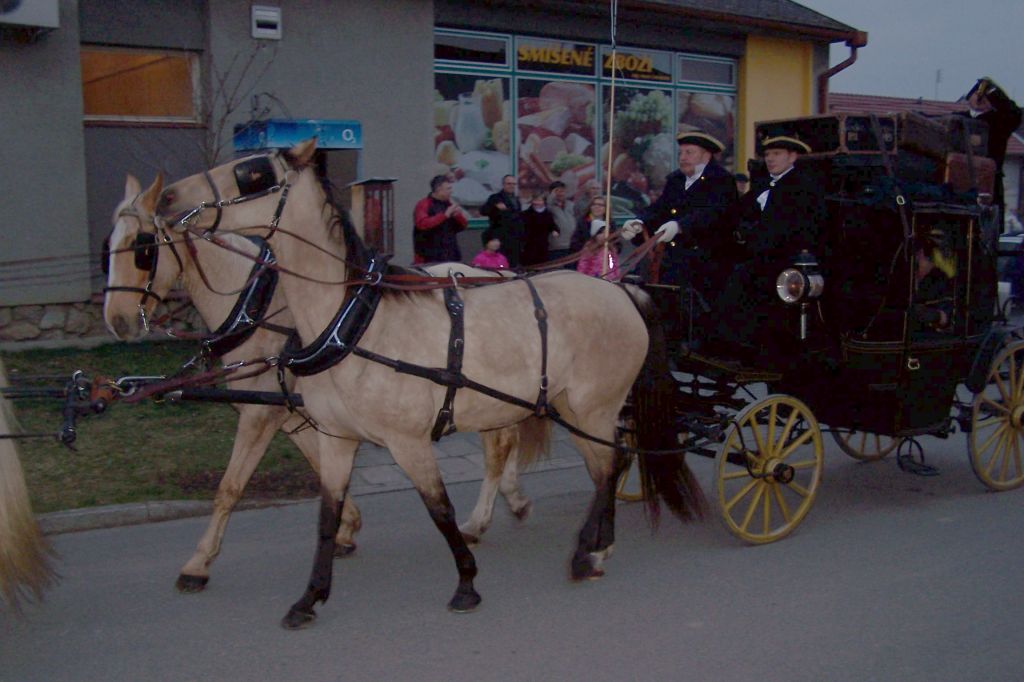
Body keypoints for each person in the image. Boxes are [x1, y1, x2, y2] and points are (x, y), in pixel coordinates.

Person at [714, 135, 827, 360]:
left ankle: (760, 349)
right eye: (767, 155)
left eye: (776, 154)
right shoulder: (763, 184)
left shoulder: (802, 186)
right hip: (757, 256)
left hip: (786, 261)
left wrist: (757, 237)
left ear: (792, 157)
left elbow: (800, 228)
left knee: (746, 281)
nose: (770, 159)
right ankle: (730, 344)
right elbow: (740, 212)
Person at [620, 131, 738, 291]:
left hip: (707, 268)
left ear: (706, 155)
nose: (682, 158)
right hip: (673, 264)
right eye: (680, 153)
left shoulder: (721, 180)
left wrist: (680, 226)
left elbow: (713, 214)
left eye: (689, 152)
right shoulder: (676, 180)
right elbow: (660, 208)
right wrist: (639, 222)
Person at [963, 77, 1022, 226]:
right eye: (977, 93)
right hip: (961, 182)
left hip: (990, 185)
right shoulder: (959, 119)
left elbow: (1014, 113)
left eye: (984, 96)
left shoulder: (999, 122)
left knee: (990, 228)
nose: (980, 98)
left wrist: (993, 92)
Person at [413, 174, 467, 263]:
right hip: (429, 256)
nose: (451, 191)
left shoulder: (449, 204)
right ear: (438, 189)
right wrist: (444, 216)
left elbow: (463, 226)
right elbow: (422, 224)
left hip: (450, 253)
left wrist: (458, 215)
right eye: (448, 189)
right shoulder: (424, 204)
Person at [480, 174, 525, 268]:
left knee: (513, 266)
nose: (511, 186)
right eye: (509, 183)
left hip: (514, 240)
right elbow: (483, 211)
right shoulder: (495, 197)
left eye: (513, 184)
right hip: (500, 238)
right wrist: (494, 207)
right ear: (503, 184)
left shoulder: (516, 199)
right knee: (501, 267)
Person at [521, 192, 558, 266]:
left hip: (543, 245)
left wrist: (555, 230)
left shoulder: (548, 214)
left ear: (543, 202)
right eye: (535, 200)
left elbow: (552, 225)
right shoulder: (525, 214)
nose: (537, 203)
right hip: (529, 245)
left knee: (542, 265)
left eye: (539, 200)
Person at [546, 180, 576, 261]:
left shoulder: (571, 205)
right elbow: (545, 210)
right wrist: (551, 197)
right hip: (555, 247)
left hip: (570, 245)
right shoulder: (548, 206)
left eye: (562, 191)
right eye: (557, 191)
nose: (560, 194)